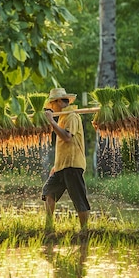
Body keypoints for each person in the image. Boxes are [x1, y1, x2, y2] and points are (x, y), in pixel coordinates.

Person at [42, 87, 90, 232]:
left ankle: (84, 231)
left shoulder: (72, 116)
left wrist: (51, 121)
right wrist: (56, 165)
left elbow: (67, 137)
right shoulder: (63, 117)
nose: (52, 107)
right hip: (61, 166)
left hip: (72, 165)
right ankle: (49, 227)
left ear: (58, 102)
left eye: (53, 104)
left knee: (78, 199)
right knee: (48, 192)